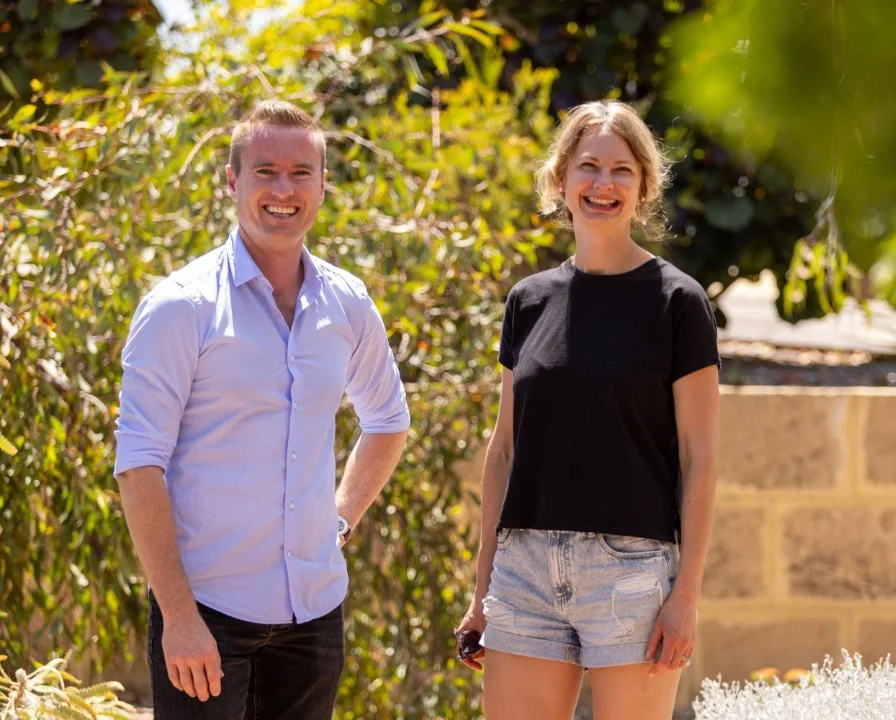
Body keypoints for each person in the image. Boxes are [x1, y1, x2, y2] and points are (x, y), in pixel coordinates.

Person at [114, 100, 410, 720]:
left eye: (301, 172)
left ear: (324, 185)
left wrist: (339, 523)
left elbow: (387, 421)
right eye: (265, 171)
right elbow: (139, 465)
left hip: (313, 616)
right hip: (207, 615)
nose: (284, 189)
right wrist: (179, 616)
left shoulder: (348, 303)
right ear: (232, 181)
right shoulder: (181, 306)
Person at [454, 99, 720, 720]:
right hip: (523, 574)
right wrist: (481, 589)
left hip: (632, 574)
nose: (604, 184)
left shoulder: (678, 302)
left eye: (622, 170)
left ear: (644, 185)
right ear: (560, 180)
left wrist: (686, 596)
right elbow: (505, 452)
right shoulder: (527, 301)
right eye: (588, 166)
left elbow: (700, 458)